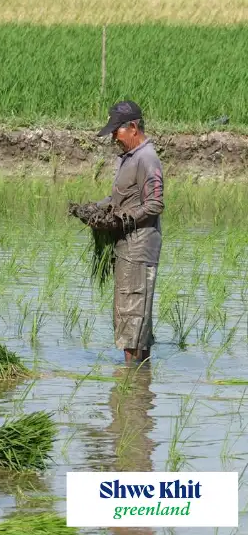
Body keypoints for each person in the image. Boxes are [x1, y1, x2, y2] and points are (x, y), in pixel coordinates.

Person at [76, 101, 164, 365]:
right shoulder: (130, 158)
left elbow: (156, 203)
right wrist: (94, 209)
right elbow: (120, 199)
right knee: (130, 315)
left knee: (132, 315)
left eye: (117, 131)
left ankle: (130, 385)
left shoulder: (146, 158)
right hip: (127, 247)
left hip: (139, 248)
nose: (114, 136)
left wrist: (122, 221)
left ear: (133, 127)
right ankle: (139, 383)